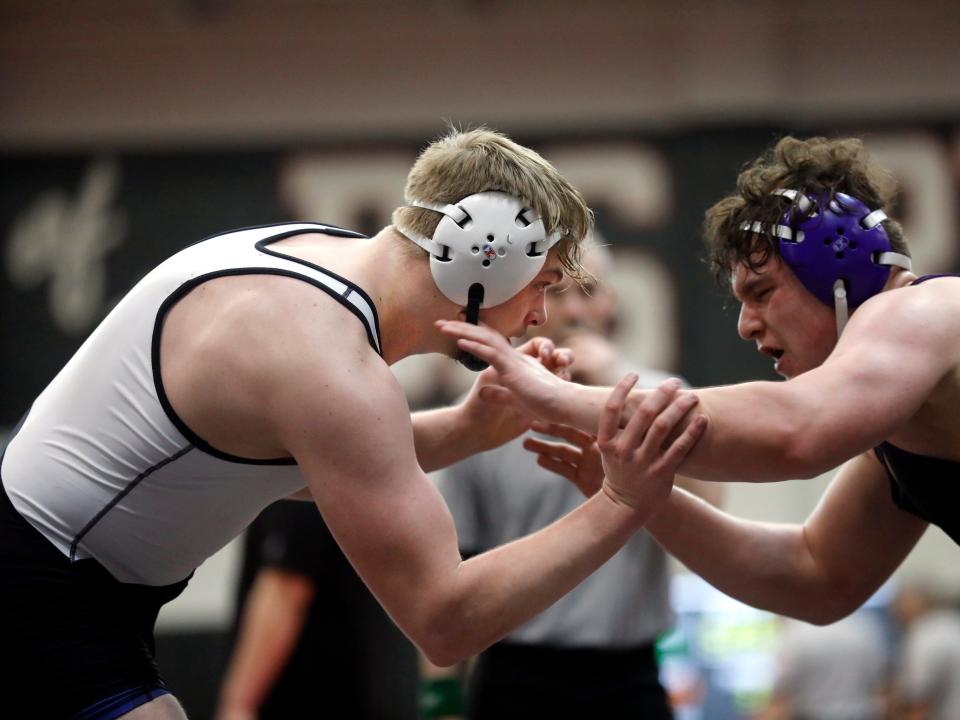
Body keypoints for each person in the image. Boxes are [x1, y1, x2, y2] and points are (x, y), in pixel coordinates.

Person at [0, 127, 707, 720]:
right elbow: (446, 620)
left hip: (68, 565)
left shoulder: (312, 262)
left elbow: (306, 472)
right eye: (544, 284)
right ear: (480, 254)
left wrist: (466, 429)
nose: (540, 317)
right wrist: (623, 500)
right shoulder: (328, 362)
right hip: (45, 577)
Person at [436, 134, 960, 627]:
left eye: (761, 291)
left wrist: (559, 397)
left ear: (839, 270)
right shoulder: (899, 432)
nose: (745, 325)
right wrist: (640, 493)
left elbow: (795, 432)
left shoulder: (926, 310)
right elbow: (816, 578)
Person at [426, 243, 724, 719]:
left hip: (627, 673)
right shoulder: (488, 408)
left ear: (611, 301)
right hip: (516, 673)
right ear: (535, 305)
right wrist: (439, 694)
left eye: (588, 292)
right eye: (557, 293)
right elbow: (454, 558)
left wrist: (616, 387)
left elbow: (711, 512)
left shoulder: (662, 395)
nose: (574, 310)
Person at [216, 500, 418, 720]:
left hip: (308, 697)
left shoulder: (298, 489)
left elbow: (286, 589)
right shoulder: (345, 487)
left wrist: (239, 705)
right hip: (354, 687)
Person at [889, 583, 960, 720]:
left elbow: (919, 699)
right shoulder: (952, 622)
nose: (894, 611)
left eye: (898, 604)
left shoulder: (925, 634)